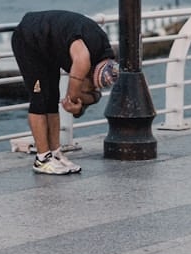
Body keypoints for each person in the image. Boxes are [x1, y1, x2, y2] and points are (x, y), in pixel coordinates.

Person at [11, 9, 119, 175]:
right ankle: (42, 159)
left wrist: (83, 103)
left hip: (49, 47)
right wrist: (77, 106)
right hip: (29, 38)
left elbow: (90, 96)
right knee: (39, 100)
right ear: (90, 74)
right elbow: (71, 103)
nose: (89, 86)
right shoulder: (83, 61)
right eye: (90, 84)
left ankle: (55, 153)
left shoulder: (106, 58)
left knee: (52, 99)